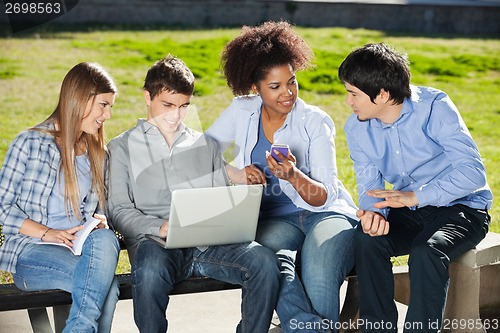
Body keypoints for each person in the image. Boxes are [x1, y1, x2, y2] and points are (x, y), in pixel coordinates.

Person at [106, 55, 280, 333]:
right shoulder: (121, 148)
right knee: (149, 272)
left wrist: (239, 201)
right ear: (147, 97)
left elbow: (221, 199)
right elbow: (118, 209)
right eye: (167, 105)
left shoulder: (203, 144)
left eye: (184, 106)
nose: (175, 115)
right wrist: (160, 227)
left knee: (264, 262)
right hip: (157, 246)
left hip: (208, 245)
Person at [205, 21, 358, 332]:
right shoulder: (241, 111)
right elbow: (198, 154)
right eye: (275, 87)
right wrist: (235, 172)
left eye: (292, 81)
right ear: (255, 88)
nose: (288, 93)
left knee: (320, 268)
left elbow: (325, 195)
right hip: (273, 219)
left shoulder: (315, 121)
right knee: (267, 262)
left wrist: (293, 175)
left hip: (324, 214)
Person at [338, 43, 492, 333]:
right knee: (368, 239)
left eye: (353, 93)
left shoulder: (434, 107)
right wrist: (374, 215)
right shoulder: (357, 128)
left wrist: (415, 196)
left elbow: (473, 173)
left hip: (462, 208)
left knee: (426, 251)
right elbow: (369, 185)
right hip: (408, 209)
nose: (349, 102)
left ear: (382, 94)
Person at [0, 62, 120, 332]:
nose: (108, 115)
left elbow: (104, 212)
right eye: (103, 105)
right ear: (81, 99)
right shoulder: (29, 143)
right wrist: (48, 233)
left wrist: (100, 221)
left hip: (81, 249)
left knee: (105, 237)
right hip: (31, 252)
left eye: (110, 106)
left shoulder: (98, 153)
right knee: (106, 288)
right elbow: (2, 207)